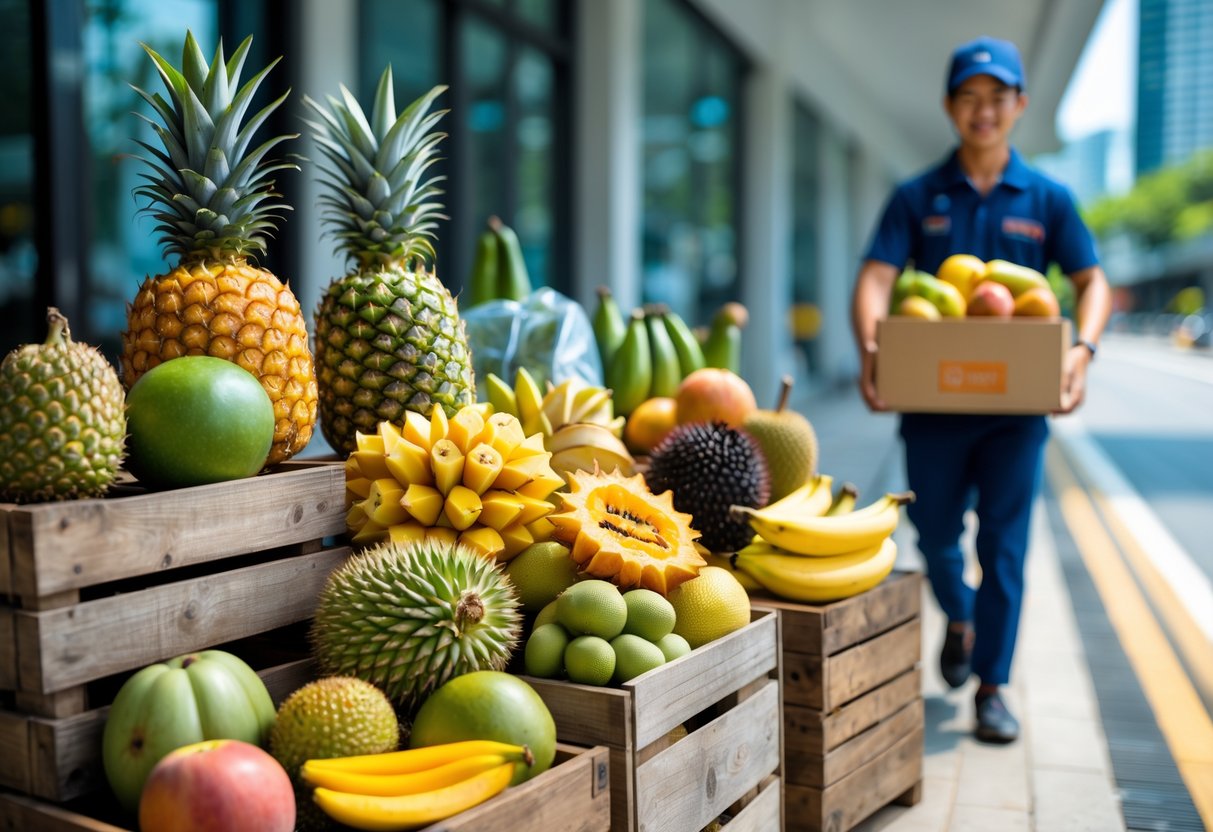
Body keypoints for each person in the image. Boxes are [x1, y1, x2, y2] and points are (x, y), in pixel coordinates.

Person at [850, 35, 1112, 743]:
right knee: (933, 534)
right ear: (949, 107)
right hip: (933, 409)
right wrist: (873, 348)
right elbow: (876, 278)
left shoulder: (1048, 199)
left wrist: (1080, 350)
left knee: (1003, 545)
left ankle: (991, 687)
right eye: (969, 97)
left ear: (1020, 105)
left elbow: (1091, 282)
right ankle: (958, 616)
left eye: (997, 98)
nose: (983, 111)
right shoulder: (917, 197)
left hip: (1013, 414)